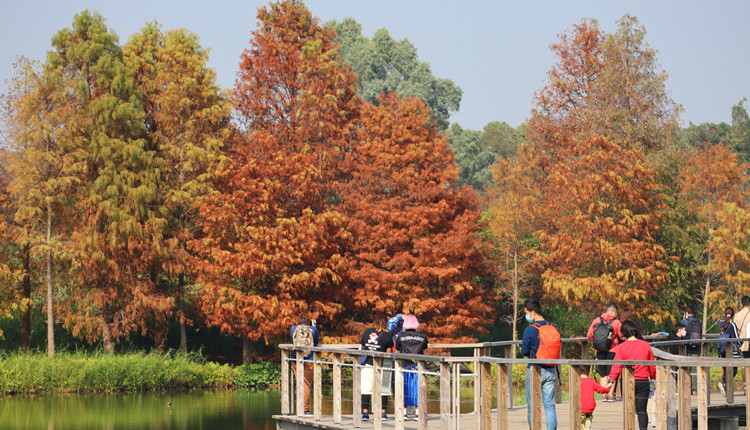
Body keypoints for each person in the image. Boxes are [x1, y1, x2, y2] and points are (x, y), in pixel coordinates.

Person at [608, 320, 655, 430]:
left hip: (628, 382)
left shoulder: (621, 347)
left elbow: (616, 366)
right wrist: (653, 378)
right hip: (643, 381)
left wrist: (611, 380)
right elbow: (652, 366)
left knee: (629, 410)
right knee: (642, 410)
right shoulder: (645, 345)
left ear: (624, 333)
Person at [522, 300, 559, 430]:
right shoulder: (553, 326)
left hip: (534, 370)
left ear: (532, 312)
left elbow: (524, 351)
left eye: (526, 313)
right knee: (549, 404)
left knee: (532, 405)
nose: (526, 316)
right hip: (551, 369)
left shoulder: (530, 329)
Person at [360, 315, 394, 421]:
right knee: (384, 389)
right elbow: (388, 353)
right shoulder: (388, 335)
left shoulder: (367, 332)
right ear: (386, 323)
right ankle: (383, 413)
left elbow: (363, 346)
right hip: (383, 364)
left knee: (366, 389)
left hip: (368, 363)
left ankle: (365, 413)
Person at [394, 314, 428, 422]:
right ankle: (417, 414)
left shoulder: (401, 335)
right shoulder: (422, 336)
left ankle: (404, 414)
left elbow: (398, 347)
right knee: (417, 389)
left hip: (405, 365)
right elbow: (425, 346)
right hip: (418, 366)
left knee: (404, 388)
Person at [586, 302, 622, 401]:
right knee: (612, 373)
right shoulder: (616, 322)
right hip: (613, 350)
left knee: (602, 373)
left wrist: (598, 342)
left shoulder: (597, 320)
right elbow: (621, 336)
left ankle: (604, 395)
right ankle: (610, 395)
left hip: (599, 349)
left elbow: (589, 335)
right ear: (614, 311)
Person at [290, 313, 319, 416]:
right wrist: (313, 326)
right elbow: (316, 342)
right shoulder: (313, 329)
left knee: (299, 383)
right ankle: (305, 410)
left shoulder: (293, 328)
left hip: (296, 359)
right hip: (309, 359)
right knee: (306, 385)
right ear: (308, 321)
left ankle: (299, 408)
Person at [578, 365, 610, 430]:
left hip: (580, 407)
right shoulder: (591, 381)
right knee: (588, 419)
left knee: (580, 424)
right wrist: (607, 389)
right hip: (590, 407)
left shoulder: (577, 381)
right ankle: (587, 425)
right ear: (589, 371)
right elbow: (600, 389)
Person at [718, 307, 741, 395]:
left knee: (725, 368)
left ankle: (725, 386)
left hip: (721, 349)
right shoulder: (732, 325)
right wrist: (740, 344)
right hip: (731, 350)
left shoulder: (720, 323)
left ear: (724, 314)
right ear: (733, 315)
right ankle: (724, 384)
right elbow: (736, 337)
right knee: (734, 369)